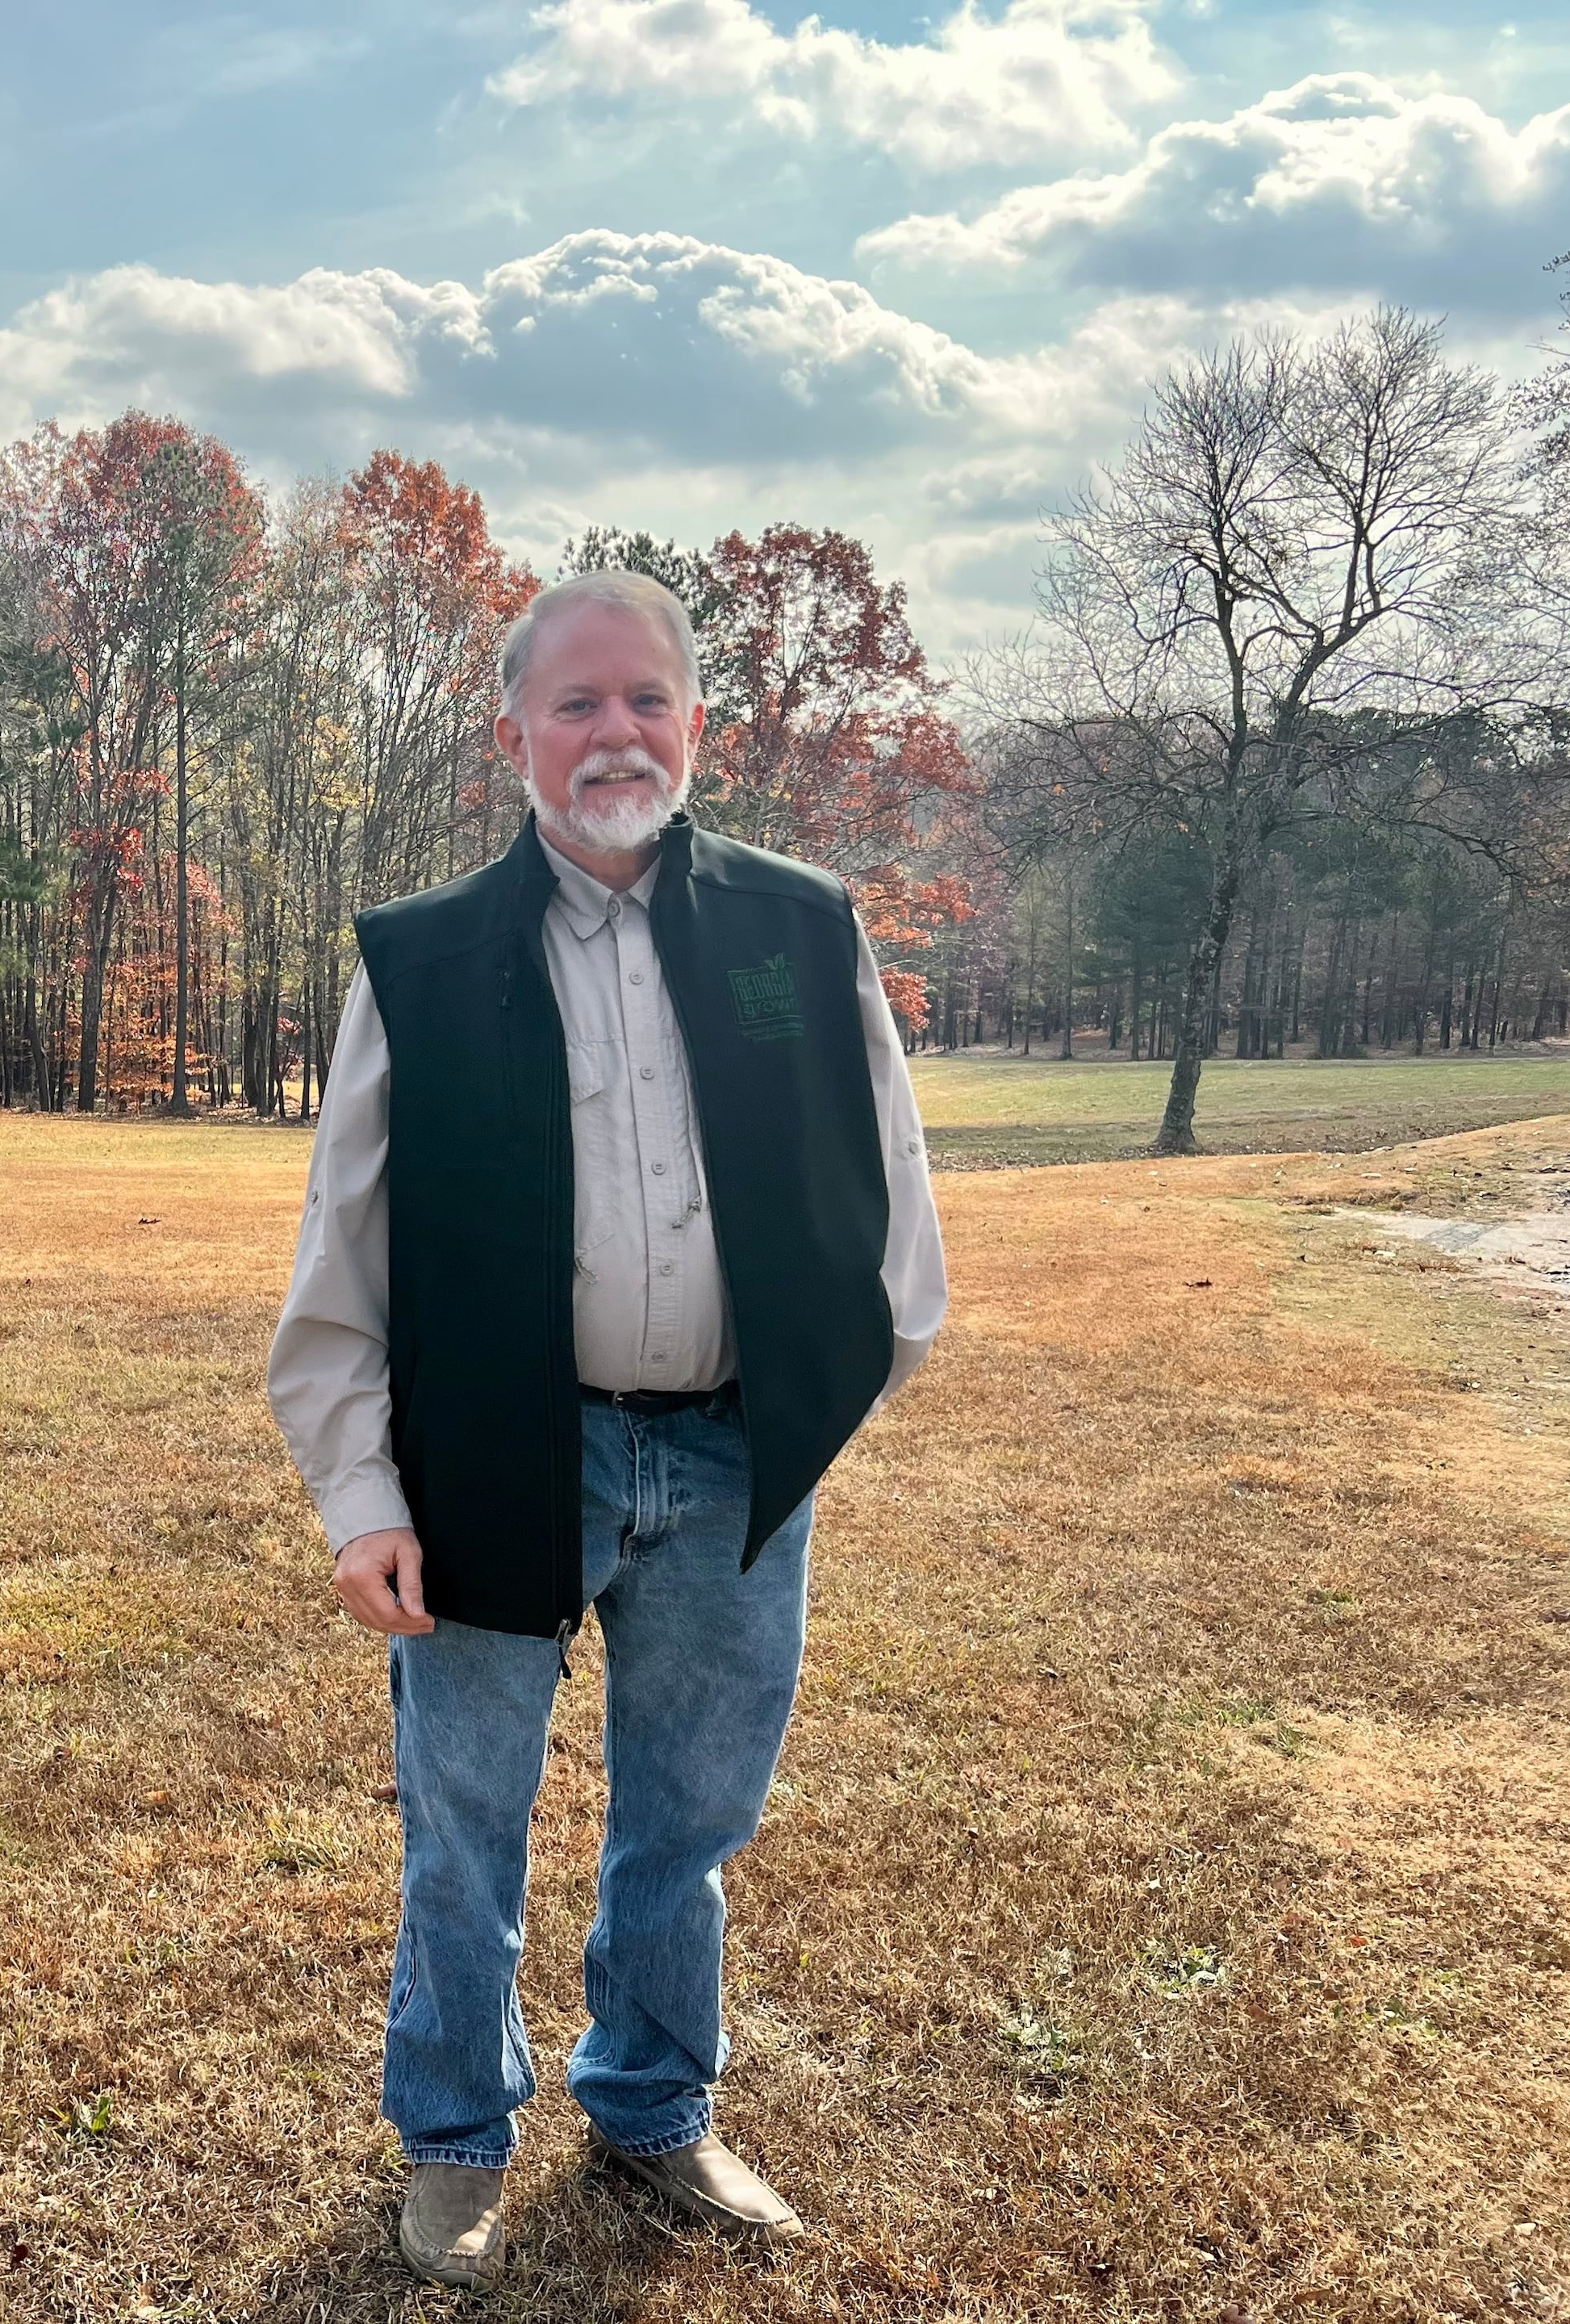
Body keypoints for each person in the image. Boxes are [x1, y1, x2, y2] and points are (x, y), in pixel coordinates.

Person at [266, 569, 947, 2289]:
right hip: (505, 1452)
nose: (613, 733)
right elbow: (341, 1256)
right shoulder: (421, 965)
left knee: (689, 1825)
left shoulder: (805, 932)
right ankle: (453, 2142)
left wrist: (817, 1407)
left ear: (698, 724)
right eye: (574, 705)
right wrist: (364, 1493)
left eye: (645, 698)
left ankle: (653, 2112)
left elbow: (894, 1211)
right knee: (462, 1826)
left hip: (733, 1457)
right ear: (511, 737)